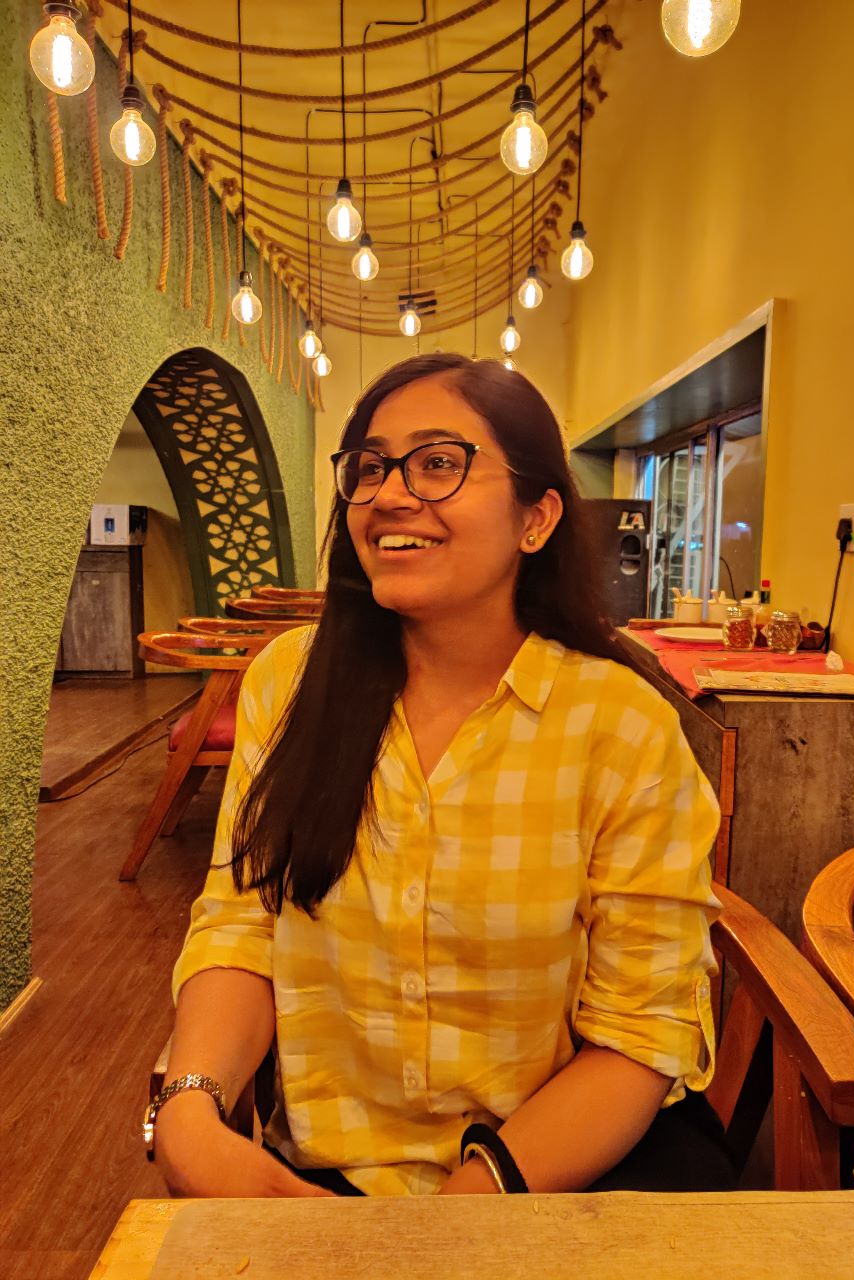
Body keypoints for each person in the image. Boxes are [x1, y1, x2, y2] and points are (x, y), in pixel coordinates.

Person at [151, 353, 734, 1198]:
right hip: (333, 1176)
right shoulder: (289, 684)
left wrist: (453, 1221)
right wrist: (189, 1110)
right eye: (370, 467)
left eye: (437, 463)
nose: (390, 494)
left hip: (560, 1175)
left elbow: (640, 1031)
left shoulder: (622, 726)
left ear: (536, 518)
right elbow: (242, 927)